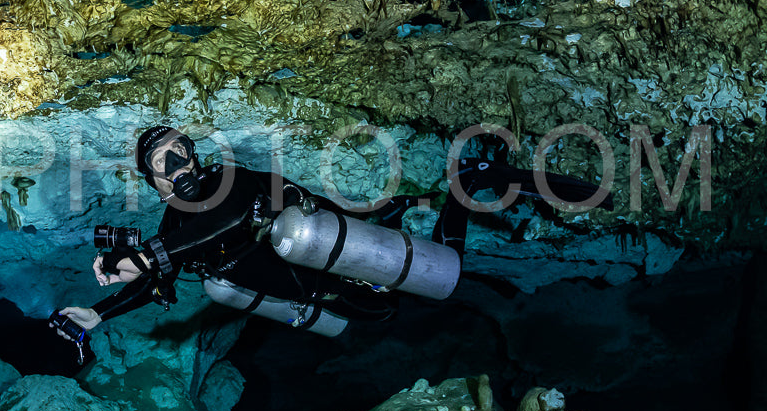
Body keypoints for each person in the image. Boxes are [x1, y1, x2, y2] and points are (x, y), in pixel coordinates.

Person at [55, 125, 610, 338]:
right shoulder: (173, 227)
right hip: (331, 294)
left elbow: (223, 222)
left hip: (344, 246)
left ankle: (476, 182)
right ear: (152, 182)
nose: (180, 162)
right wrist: (97, 313)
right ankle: (455, 200)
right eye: (163, 161)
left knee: (446, 271)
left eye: (182, 149)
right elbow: (160, 275)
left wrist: (147, 252)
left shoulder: (229, 180)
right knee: (410, 302)